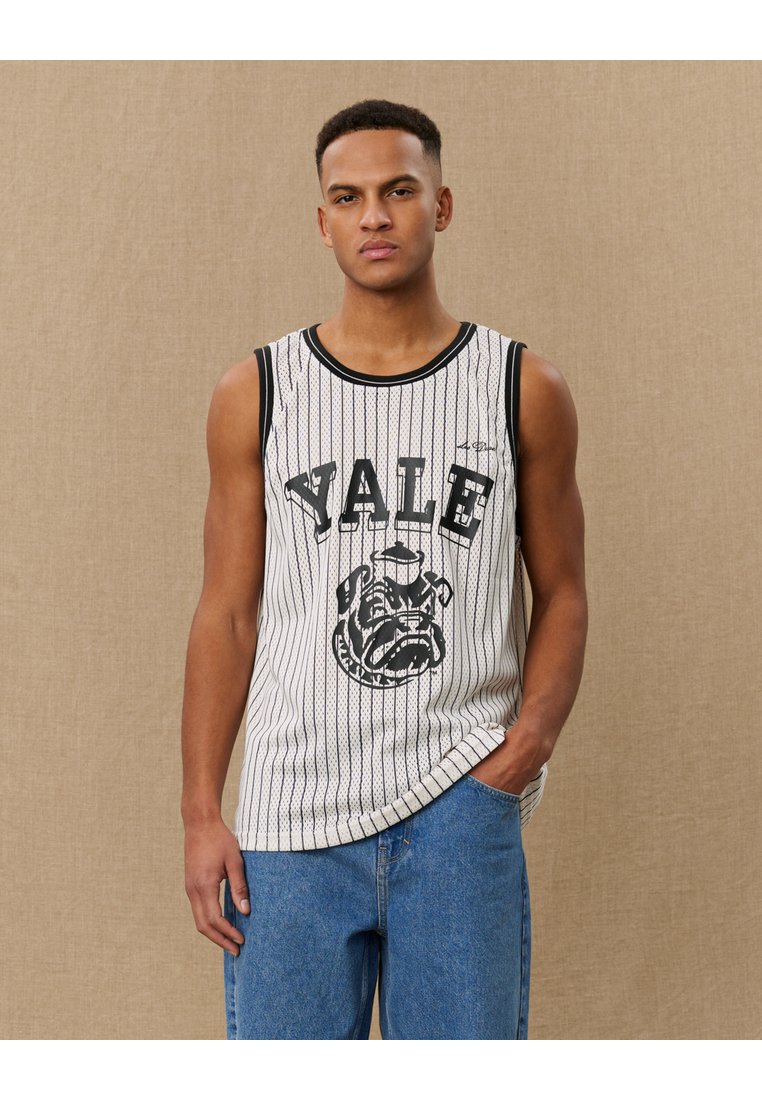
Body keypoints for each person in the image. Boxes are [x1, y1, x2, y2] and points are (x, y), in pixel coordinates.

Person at [181, 98, 587, 1040]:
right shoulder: (258, 392)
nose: (375, 216)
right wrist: (202, 812)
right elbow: (226, 614)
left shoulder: (521, 387)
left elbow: (564, 590)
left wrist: (523, 750)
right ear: (321, 221)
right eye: (348, 197)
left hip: (459, 808)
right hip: (290, 818)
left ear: (441, 206)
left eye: (400, 191)